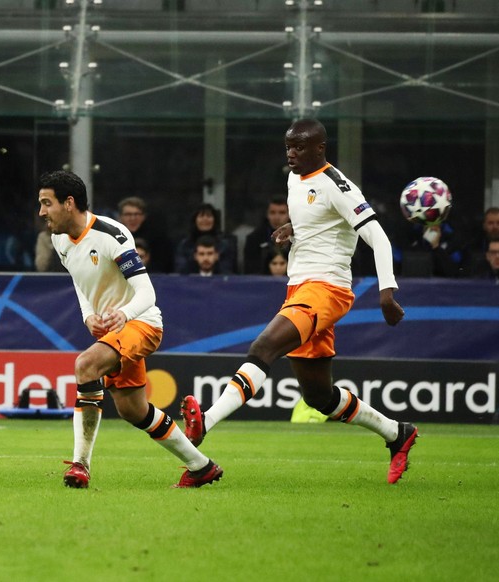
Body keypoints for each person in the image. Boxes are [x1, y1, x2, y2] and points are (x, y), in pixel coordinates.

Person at [180, 119, 417, 485]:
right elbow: (319, 221)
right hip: (299, 287)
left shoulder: (338, 186)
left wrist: (387, 291)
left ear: (320, 148)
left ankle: (205, 423)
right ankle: (397, 433)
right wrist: (296, 229)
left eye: (300, 147)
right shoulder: (294, 178)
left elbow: (379, 238)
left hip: (327, 290)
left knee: (263, 347)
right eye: (288, 146)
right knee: (319, 396)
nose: (292, 153)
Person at [38, 169, 222, 489]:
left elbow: (148, 294)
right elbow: (81, 284)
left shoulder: (112, 234)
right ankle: (200, 466)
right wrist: (87, 316)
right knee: (132, 410)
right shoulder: (59, 239)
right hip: (114, 332)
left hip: (142, 323)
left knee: (85, 364)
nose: (41, 212)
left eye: (46, 203)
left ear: (69, 203)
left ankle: (80, 464)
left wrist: (123, 315)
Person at [174, 203, 237, 274]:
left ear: (215, 220)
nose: (205, 219)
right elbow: (181, 270)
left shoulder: (225, 245)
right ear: (195, 220)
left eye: (209, 216)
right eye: (201, 216)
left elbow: (227, 271)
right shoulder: (184, 245)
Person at [117, 196, 175, 273]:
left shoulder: (158, 238)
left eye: (137, 214)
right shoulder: (113, 237)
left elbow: (164, 264)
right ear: (120, 217)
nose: (133, 218)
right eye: (128, 214)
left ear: (143, 216)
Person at [243, 196, 290, 274]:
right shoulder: (254, 239)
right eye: (272, 212)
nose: (277, 217)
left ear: (289, 215)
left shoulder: (299, 238)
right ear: (267, 215)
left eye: (282, 213)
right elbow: (250, 271)